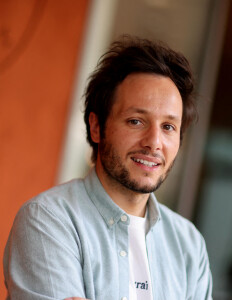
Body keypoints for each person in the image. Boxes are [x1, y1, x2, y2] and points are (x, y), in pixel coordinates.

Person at [3, 36, 212, 300]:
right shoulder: (48, 221)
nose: (154, 143)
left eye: (168, 127)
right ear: (97, 127)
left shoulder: (188, 244)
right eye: (136, 121)